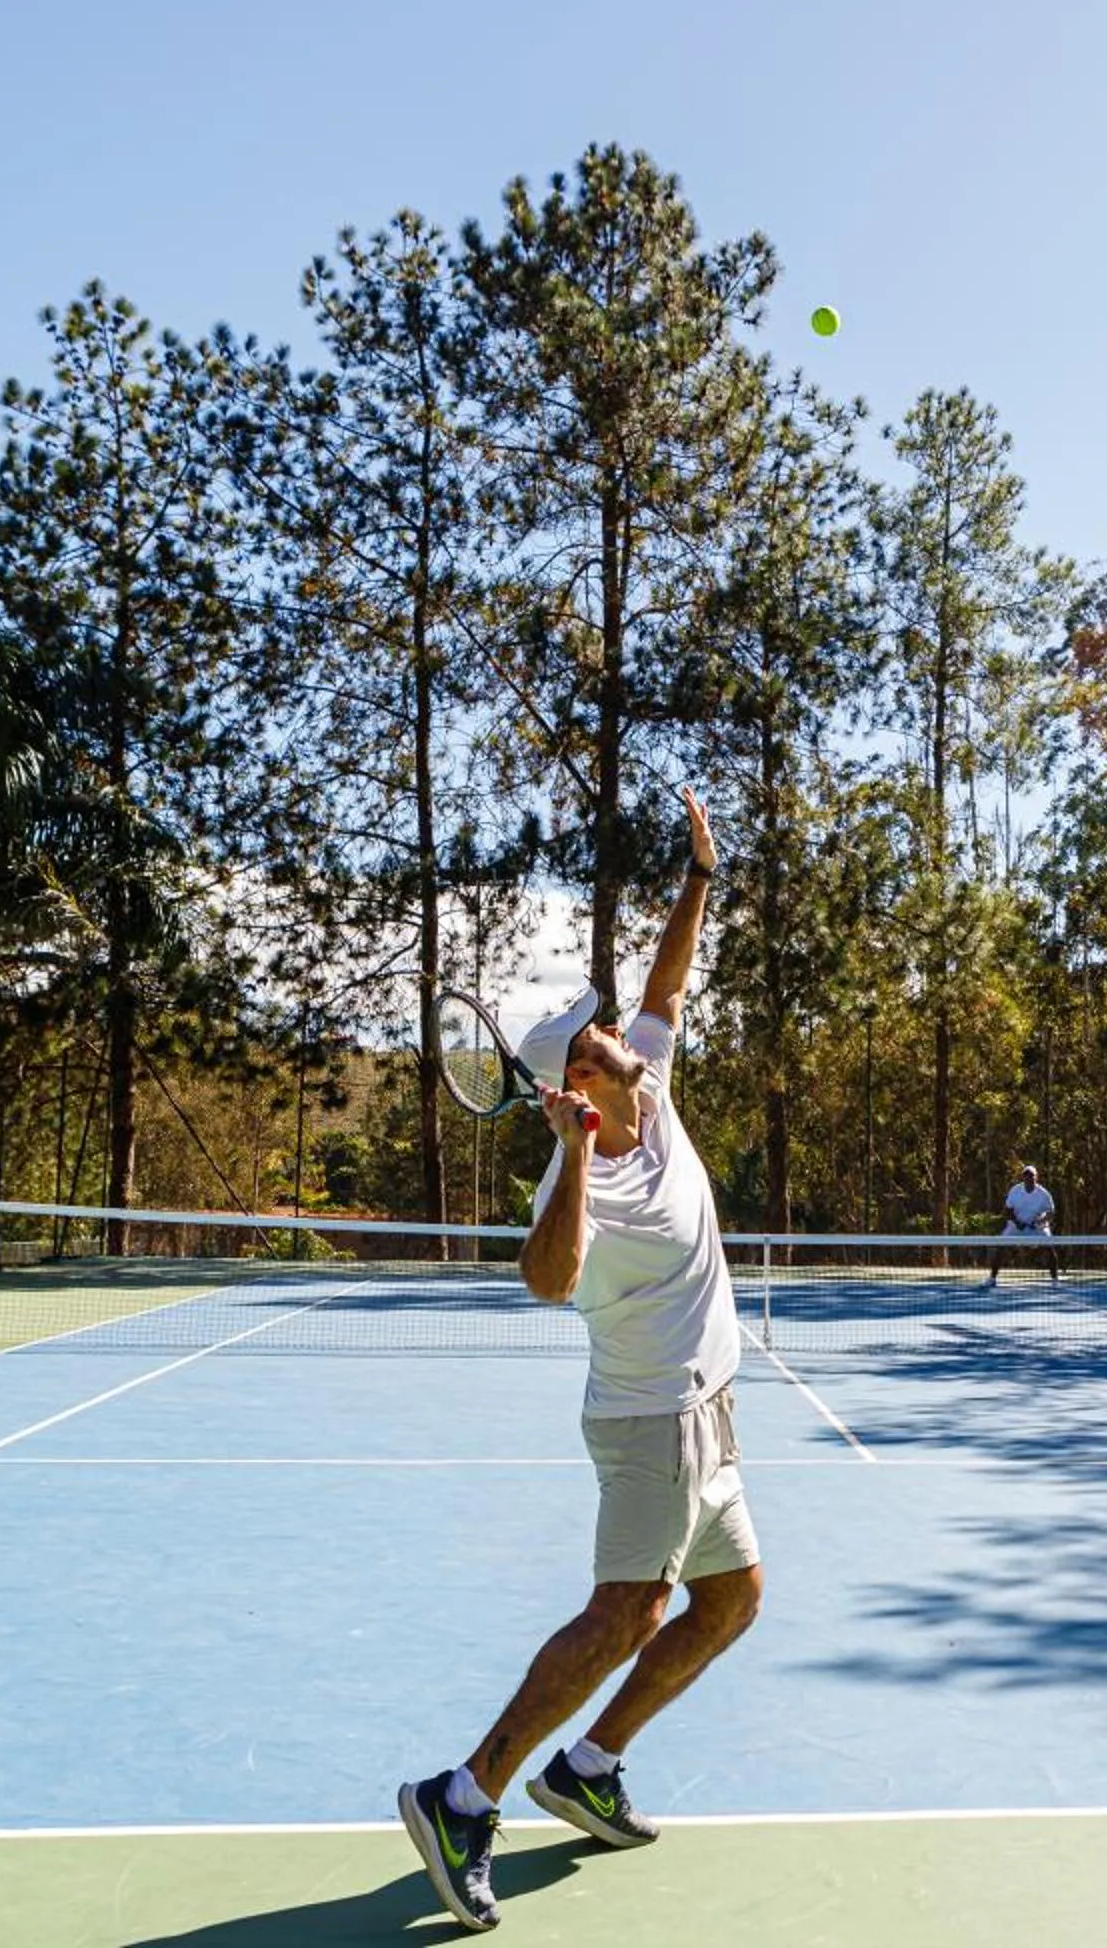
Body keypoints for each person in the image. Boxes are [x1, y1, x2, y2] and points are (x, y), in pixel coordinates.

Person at [398, 786, 763, 1935]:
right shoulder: (580, 1181)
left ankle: (589, 1765)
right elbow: (545, 1283)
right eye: (604, 1042)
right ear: (576, 1084)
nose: (628, 1037)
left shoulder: (646, 1074)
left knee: (730, 1598)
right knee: (628, 1608)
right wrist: (572, 1159)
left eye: (614, 1032)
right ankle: (463, 1794)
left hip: (709, 1407)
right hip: (649, 1419)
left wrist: (700, 874)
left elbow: (666, 985)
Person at [986, 1163, 1061, 1286]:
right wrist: (1017, 1222)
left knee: (1049, 1247)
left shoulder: (1043, 1194)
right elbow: (1007, 1211)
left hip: (1037, 1228)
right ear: (1023, 1178)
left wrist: (1039, 1222)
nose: (1029, 1178)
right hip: (1016, 1226)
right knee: (1001, 1246)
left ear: (1036, 1178)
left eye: (1031, 1176)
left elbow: (1051, 1213)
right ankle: (992, 1278)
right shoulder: (1015, 1191)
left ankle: (1055, 1280)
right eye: (1026, 1176)